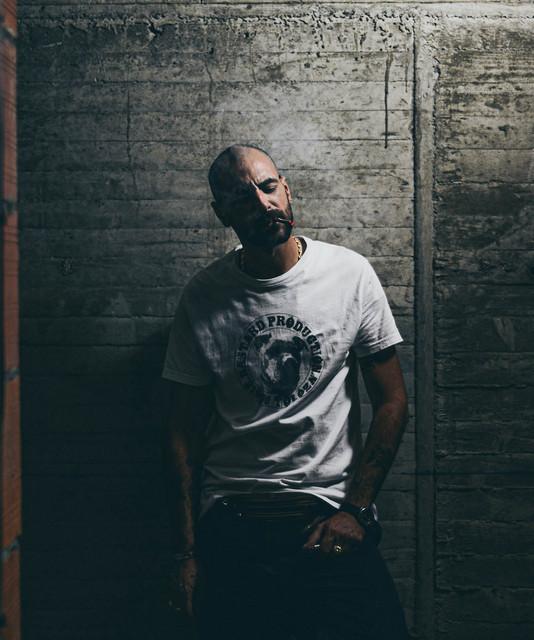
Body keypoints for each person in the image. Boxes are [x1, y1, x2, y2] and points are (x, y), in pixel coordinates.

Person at [163, 144, 410, 639]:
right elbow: (182, 431)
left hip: (325, 514)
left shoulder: (349, 275)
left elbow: (392, 401)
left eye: (269, 186)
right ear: (222, 213)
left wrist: (355, 511)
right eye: (243, 197)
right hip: (232, 521)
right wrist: (187, 552)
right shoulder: (204, 296)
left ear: (287, 189)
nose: (263, 203)